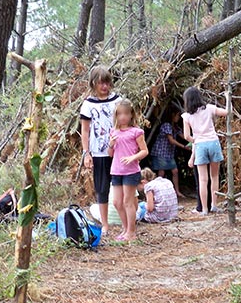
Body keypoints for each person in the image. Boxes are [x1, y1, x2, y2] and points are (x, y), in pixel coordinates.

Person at [80, 66, 122, 236]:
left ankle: (126, 220)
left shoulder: (117, 101)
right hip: (98, 152)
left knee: (122, 185)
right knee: (102, 188)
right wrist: (86, 153)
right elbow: (85, 130)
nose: (104, 86)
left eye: (107, 82)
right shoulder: (88, 104)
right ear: (94, 84)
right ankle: (105, 224)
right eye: (100, 83)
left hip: (119, 150)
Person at [182, 87, 228, 215]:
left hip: (200, 145)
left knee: (203, 180)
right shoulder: (209, 108)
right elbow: (226, 112)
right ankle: (214, 205)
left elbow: (186, 136)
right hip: (213, 142)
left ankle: (204, 209)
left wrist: (195, 140)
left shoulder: (186, 116)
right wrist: (228, 97)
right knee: (214, 177)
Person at [108, 99, 148, 241]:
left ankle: (131, 232)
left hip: (131, 171)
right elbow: (110, 154)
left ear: (131, 115)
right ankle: (125, 229)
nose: (122, 117)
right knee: (116, 202)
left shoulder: (136, 132)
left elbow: (144, 151)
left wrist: (133, 157)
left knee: (128, 201)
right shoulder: (114, 131)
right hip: (116, 170)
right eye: (119, 114)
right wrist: (111, 144)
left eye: (125, 114)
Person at [151, 108, 190, 198]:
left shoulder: (175, 127)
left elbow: (183, 136)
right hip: (160, 152)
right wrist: (184, 147)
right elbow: (171, 140)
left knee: (175, 171)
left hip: (168, 153)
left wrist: (192, 139)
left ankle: (177, 191)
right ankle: (159, 192)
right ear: (172, 115)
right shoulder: (166, 125)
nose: (178, 117)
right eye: (177, 115)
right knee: (161, 172)